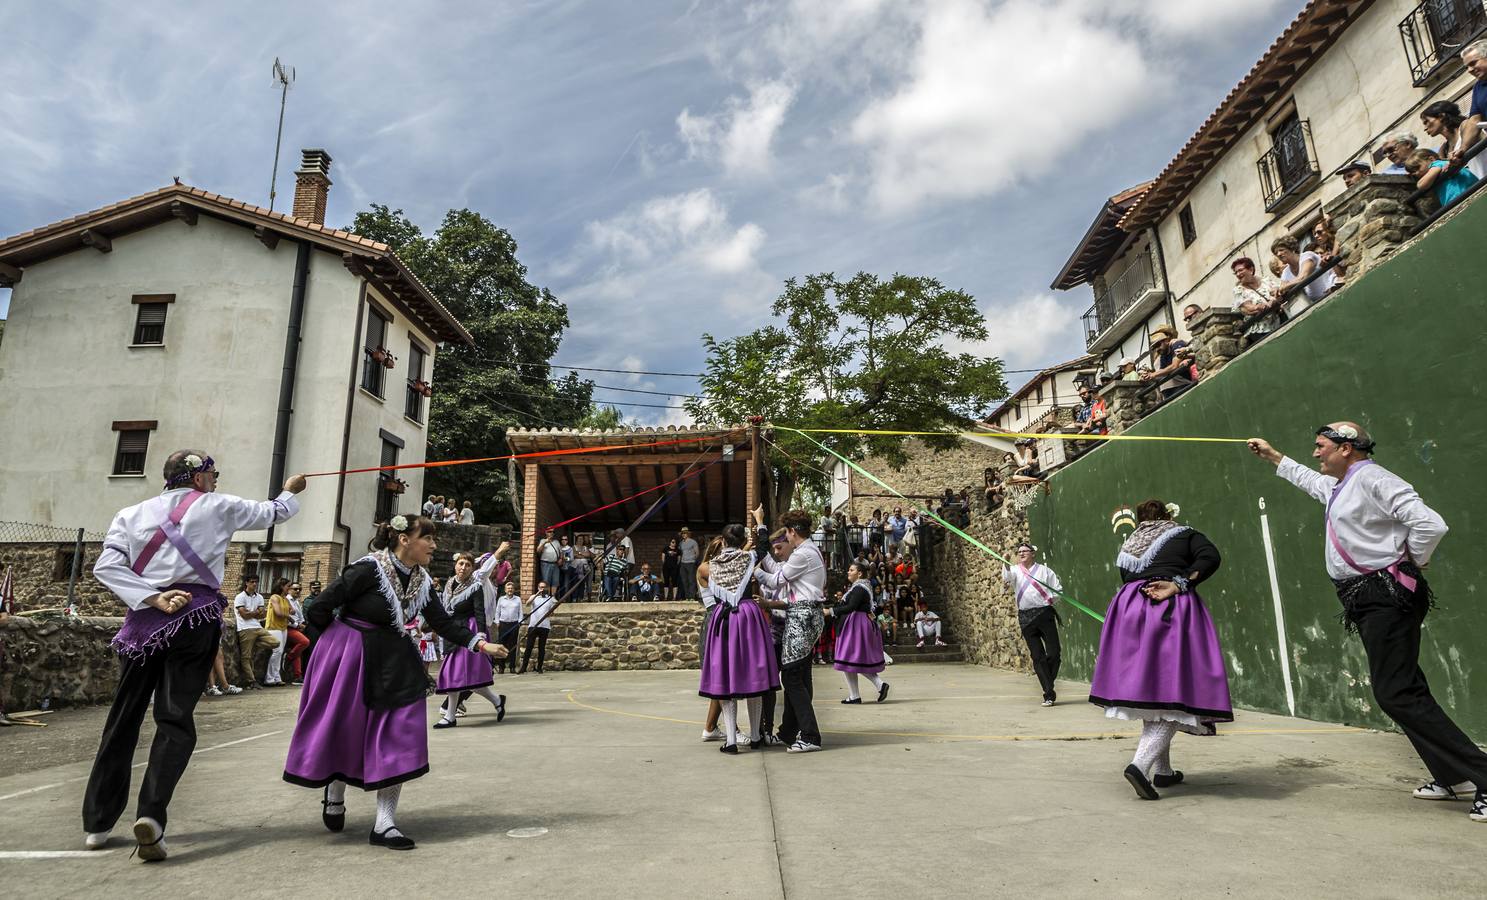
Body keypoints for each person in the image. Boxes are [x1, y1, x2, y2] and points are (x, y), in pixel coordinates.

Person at [1248, 424, 1485, 822]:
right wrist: (1274, 457)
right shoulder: (1343, 485)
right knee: (1406, 687)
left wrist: (1415, 557)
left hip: (1384, 594)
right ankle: (1451, 775)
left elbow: (1431, 523)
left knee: (1396, 692)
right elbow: (1310, 481)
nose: (1315, 454)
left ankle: (1479, 773)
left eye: (1321, 447)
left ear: (1345, 448)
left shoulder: (1374, 478)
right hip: (1367, 597)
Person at [84, 450, 304, 857]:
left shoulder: (129, 514)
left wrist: (151, 596)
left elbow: (107, 568)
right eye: (213, 474)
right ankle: (151, 816)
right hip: (195, 616)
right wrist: (291, 490)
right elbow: (273, 512)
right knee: (174, 718)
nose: (217, 481)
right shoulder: (219, 506)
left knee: (123, 718)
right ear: (199, 477)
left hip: (143, 622)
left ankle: (97, 824)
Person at [282, 514, 507, 851]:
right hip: (352, 653)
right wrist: (331, 650)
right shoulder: (367, 569)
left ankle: (385, 823)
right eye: (426, 538)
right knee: (346, 726)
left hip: (395, 656)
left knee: (401, 731)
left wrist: (481, 644)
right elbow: (321, 606)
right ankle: (335, 789)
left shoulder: (422, 581)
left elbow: (443, 622)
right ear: (404, 540)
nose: (433, 545)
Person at [1088, 499, 1229, 802]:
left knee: (1154, 691)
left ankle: (1163, 770)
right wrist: (1180, 582)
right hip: (1168, 608)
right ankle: (1140, 765)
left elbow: (1127, 579)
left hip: (1129, 610)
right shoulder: (1184, 534)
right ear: (1168, 515)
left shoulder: (1129, 545)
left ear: (1140, 520)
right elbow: (1210, 557)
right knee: (1180, 691)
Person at [697, 524, 780, 753]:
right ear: (742, 539)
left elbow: (707, 591)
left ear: (723, 542)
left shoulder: (708, 568)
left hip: (723, 618)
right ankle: (755, 736)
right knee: (755, 674)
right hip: (748, 615)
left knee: (726, 674)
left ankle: (731, 740)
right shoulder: (748, 559)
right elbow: (763, 548)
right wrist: (760, 522)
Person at [751, 505, 826, 753]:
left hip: (801, 617)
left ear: (793, 532)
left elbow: (774, 579)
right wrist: (761, 528)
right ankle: (789, 731)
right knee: (800, 675)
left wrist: (754, 571)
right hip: (806, 615)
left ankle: (810, 735)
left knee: (792, 677)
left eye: (787, 534)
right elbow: (775, 568)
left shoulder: (802, 554)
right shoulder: (808, 551)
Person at [433, 548, 511, 728]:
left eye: (468, 565)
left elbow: (480, 612)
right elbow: (445, 611)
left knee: (462, 675)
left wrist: (481, 637)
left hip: (470, 631)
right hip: (453, 631)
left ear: (472, 569)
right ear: (455, 565)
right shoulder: (449, 584)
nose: (463, 567)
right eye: (461, 563)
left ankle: (451, 716)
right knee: (462, 676)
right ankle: (496, 701)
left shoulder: (475, 586)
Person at [1001, 544, 1064, 706]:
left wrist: (1050, 599)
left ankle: (1047, 681)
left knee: (1054, 653)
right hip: (1026, 618)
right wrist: (1006, 562)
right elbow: (1007, 578)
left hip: (1044, 614)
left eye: (1025, 551)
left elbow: (1057, 590)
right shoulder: (1014, 570)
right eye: (1019, 552)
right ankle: (1048, 692)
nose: (1021, 553)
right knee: (1037, 656)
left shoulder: (1045, 571)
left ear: (1033, 554)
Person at [824, 562, 889, 704]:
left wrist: (830, 611)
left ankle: (877, 685)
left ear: (859, 573)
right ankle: (855, 695)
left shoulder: (859, 588)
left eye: (851, 570)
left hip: (856, 625)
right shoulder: (860, 588)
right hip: (857, 623)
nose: (848, 572)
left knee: (850, 658)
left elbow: (851, 607)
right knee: (849, 660)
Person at [1270, 235, 1337, 317]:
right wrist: (1278, 292)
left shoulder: (1307, 256)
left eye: (1281, 250)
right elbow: (1283, 291)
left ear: (1291, 249)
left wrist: (1284, 287)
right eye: (1276, 253)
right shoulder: (1285, 272)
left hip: (1332, 292)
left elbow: (1303, 277)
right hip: (1316, 303)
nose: (1279, 254)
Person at [233, 576, 278, 688]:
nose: (254, 584)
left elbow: (263, 614)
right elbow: (244, 615)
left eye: (256, 582)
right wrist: (257, 612)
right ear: (246, 583)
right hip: (245, 628)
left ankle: (254, 643)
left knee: (275, 643)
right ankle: (251, 681)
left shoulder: (259, 597)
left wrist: (252, 612)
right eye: (252, 582)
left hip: (257, 627)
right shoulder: (240, 597)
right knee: (246, 657)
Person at [1230, 256, 1285, 348]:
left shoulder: (1265, 281)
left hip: (1278, 321)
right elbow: (1248, 308)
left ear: (1251, 269)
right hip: (1259, 331)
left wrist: (1276, 294)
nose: (1238, 274)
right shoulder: (1239, 290)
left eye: (1240, 270)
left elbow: (1278, 291)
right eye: (1236, 272)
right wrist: (1261, 306)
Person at [1404, 147, 1479, 209]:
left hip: (1462, 196)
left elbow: (1421, 185)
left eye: (1417, 168)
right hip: (1459, 198)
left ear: (1431, 159)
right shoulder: (1436, 173)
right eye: (1413, 172)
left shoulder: (1437, 164)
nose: (1416, 173)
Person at [1142, 325, 1195, 401]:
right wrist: (1148, 376)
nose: (1157, 349)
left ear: (1167, 338)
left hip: (1182, 384)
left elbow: (1174, 366)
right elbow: (1163, 372)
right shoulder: (1162, 354)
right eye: (1155, 347)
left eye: (1158, 344)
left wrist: (1153, 374)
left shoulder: (1177, 343)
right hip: (1168, 389)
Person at [1459, 40, 1487, 179]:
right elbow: (1474, 120)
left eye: (1473, 63)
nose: (1470, 70)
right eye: (1467, 67)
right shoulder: (1478, 87)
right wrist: (1462, 150)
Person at [520, 581, 556, 674]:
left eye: (544, 587)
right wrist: (536, 594)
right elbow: (527, 604)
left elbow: (552, 612)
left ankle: (539, 667)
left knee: (542, 648)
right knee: (529, 647)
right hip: (533, 625)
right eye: (541, 587)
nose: (542, 589)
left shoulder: (551, 599)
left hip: (545, 626)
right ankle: (523, 667)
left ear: (547, 588)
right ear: (538, 588)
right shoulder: (534, 597)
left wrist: (551, 612)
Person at [263, 578, 293, 686]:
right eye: (288, 586)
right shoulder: (274, 597)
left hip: (283, 627)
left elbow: (292, 609)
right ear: (281, 586)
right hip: (273, 627)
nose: (289, 588)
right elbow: (278, 612)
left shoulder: (285, 599)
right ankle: (269, 678)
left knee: (280, 652)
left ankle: (277, 677)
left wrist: (289, 608)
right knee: (277, 651)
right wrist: (288, 616)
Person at [491, 581, 524, 674]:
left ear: (514, 590)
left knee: (513, 646)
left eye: (511, 588)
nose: (510, 590)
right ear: (505, 590)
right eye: (508, 588)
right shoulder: (501, 599)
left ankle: (512, 667)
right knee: (502, 646)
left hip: (514, 624)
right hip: (503, 624)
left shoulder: (518, 599)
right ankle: (501, 667)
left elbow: (520, 612)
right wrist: (497, 622)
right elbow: (497, 612)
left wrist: (520, 622)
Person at [283, 581, 310, 684]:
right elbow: (287, 618)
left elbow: (301, 617)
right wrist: (298, 625)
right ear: (289, 590)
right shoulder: (286, 600)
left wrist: (302, 625)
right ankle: (289, 657)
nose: (298, 591)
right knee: (305, 642)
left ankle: (297, 677)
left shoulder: (297, 602)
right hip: (289, 628)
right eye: (295, 589)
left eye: (299, 589)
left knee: (298, 652)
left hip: (298, 628)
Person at [536, 529, 562, 596]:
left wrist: (561, 559)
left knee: (555, 581)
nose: (552, 533)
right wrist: (545, 542)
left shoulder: (556, 542)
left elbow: (561, 552)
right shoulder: (542, 541)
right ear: (546, 533)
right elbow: (538, 551)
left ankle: (553, 597)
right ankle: (546, 596)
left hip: (555, 564)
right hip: (545, 564)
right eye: (550, 532)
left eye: (553, 532)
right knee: (546, 581)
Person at [677, 527, 700, 601]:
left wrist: (693, 560)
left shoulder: (693, 542)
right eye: (682, 533)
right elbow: (679, 553)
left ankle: (692, 597)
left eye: (685, 533)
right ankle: (687, 597)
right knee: (684, 580)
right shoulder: (681, 543)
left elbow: (697, 553)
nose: (684, 534)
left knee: (691, 580)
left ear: (688, 534)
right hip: (683, 563)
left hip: (691, 563)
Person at [571, 534, 595, 601]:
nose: (581, 540)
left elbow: (589, 554)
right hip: (576, 568)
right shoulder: (573, 547)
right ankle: (574, 598)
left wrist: (579, 553)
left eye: (582, 539)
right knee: (576, 583)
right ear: (576, 540)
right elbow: (574, 555)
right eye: (579, 539)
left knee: (583, 583)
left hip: (584, 568)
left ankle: (580, 598)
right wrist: (583, 554)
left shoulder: (585, 547)